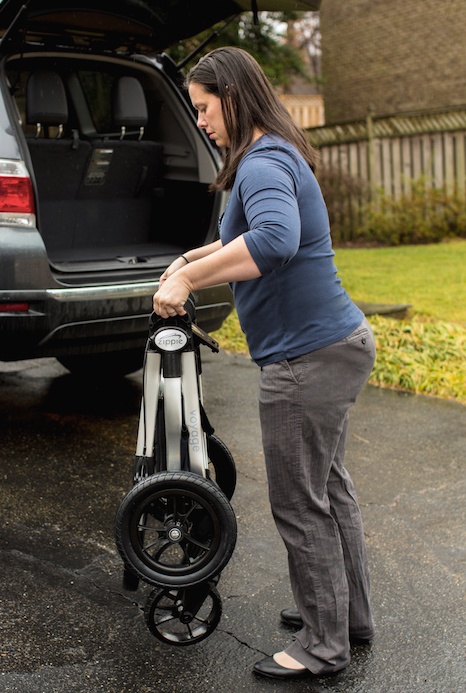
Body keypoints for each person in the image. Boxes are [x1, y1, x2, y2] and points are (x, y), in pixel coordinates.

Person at [153, 47, 376, 680]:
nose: (200, 120)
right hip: (335, 345)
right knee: (330, 490)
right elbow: (244, 235)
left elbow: (274, 241)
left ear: (231, 95)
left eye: (203, 107)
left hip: (307, 360)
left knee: (300, 502)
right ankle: (345, 617)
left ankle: (323, 645)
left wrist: (188, 285)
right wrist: (189, 262)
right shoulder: (269, 155)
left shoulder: (263, 160)